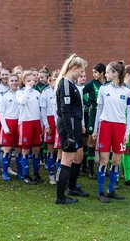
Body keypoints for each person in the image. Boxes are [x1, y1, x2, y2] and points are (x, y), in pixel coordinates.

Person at [92, 61, 130, 203]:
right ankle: (101, 191)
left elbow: (129, 113)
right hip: (105, 126)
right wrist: (96, 129)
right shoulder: (103, 89)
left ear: (115, 73)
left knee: (116, 161)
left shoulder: (128, 91)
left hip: (120, 128)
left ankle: (111, 190)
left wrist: (127, 133)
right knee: (103, 160)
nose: (106, 74)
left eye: (108, 72)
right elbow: (99, 109)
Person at [55, 54, 88, 205]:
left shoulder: (70, 84)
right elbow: (65, 111)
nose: (81, 74)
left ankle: (72, 187)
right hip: (69, 126)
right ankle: (60, 197)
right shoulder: (65, 84)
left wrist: (79, 124)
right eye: (80, 71)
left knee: (78, 156)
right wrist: (69, 134)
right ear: (73, 69)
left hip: (75, 124)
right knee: (67, 160)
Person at [16, 70, 43, 184]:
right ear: (23, 81)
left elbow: (40, 109)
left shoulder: (37, 93)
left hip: (36, 122)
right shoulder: (20, 92)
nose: (31, 82)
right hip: (25, 122)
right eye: (28, 80)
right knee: (25, 149)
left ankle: (36, 174)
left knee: (36, 149)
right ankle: (26, 175)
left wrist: (42, 124)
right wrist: (27, 88)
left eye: (33, 80)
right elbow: (22, 102)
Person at [83, 63, 107, 179]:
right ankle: (90, 170)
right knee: (91, 142)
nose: (93, 75)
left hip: (106, 116)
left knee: (105, 143)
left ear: (102, 73)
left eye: (95, 72)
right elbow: (81, 92)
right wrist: (87, 105)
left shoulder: (109, 84)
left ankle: (103, 168)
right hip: (93, 115)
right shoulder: (92, 84)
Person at [116, 65, 130, 188]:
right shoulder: (120, 88)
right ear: (127, 74)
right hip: (121, 125)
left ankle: (128, 177)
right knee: (119, 151)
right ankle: (115, 178)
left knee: (129, 150)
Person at [0, 74, 23, 181]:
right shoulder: (4, 95)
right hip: (8, 122)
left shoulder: (21, 94)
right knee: (7, 149)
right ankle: (4, 172)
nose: (14, 82)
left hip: (20, 123)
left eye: (16, 80)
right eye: (12, 80)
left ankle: (20, 172)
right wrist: (5, 127)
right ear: (8, 82)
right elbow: (1, 113)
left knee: (19, 149)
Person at [40, 68, 57, 185]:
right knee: (51, 150)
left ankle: (60, 174)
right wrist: (46, 125)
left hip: (60, 121)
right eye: (54, 79)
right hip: (50, 121)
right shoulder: (45, 91)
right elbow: (43, 110)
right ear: (50, 80)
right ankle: (51, 175)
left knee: (61, 150)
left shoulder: (62, 90)